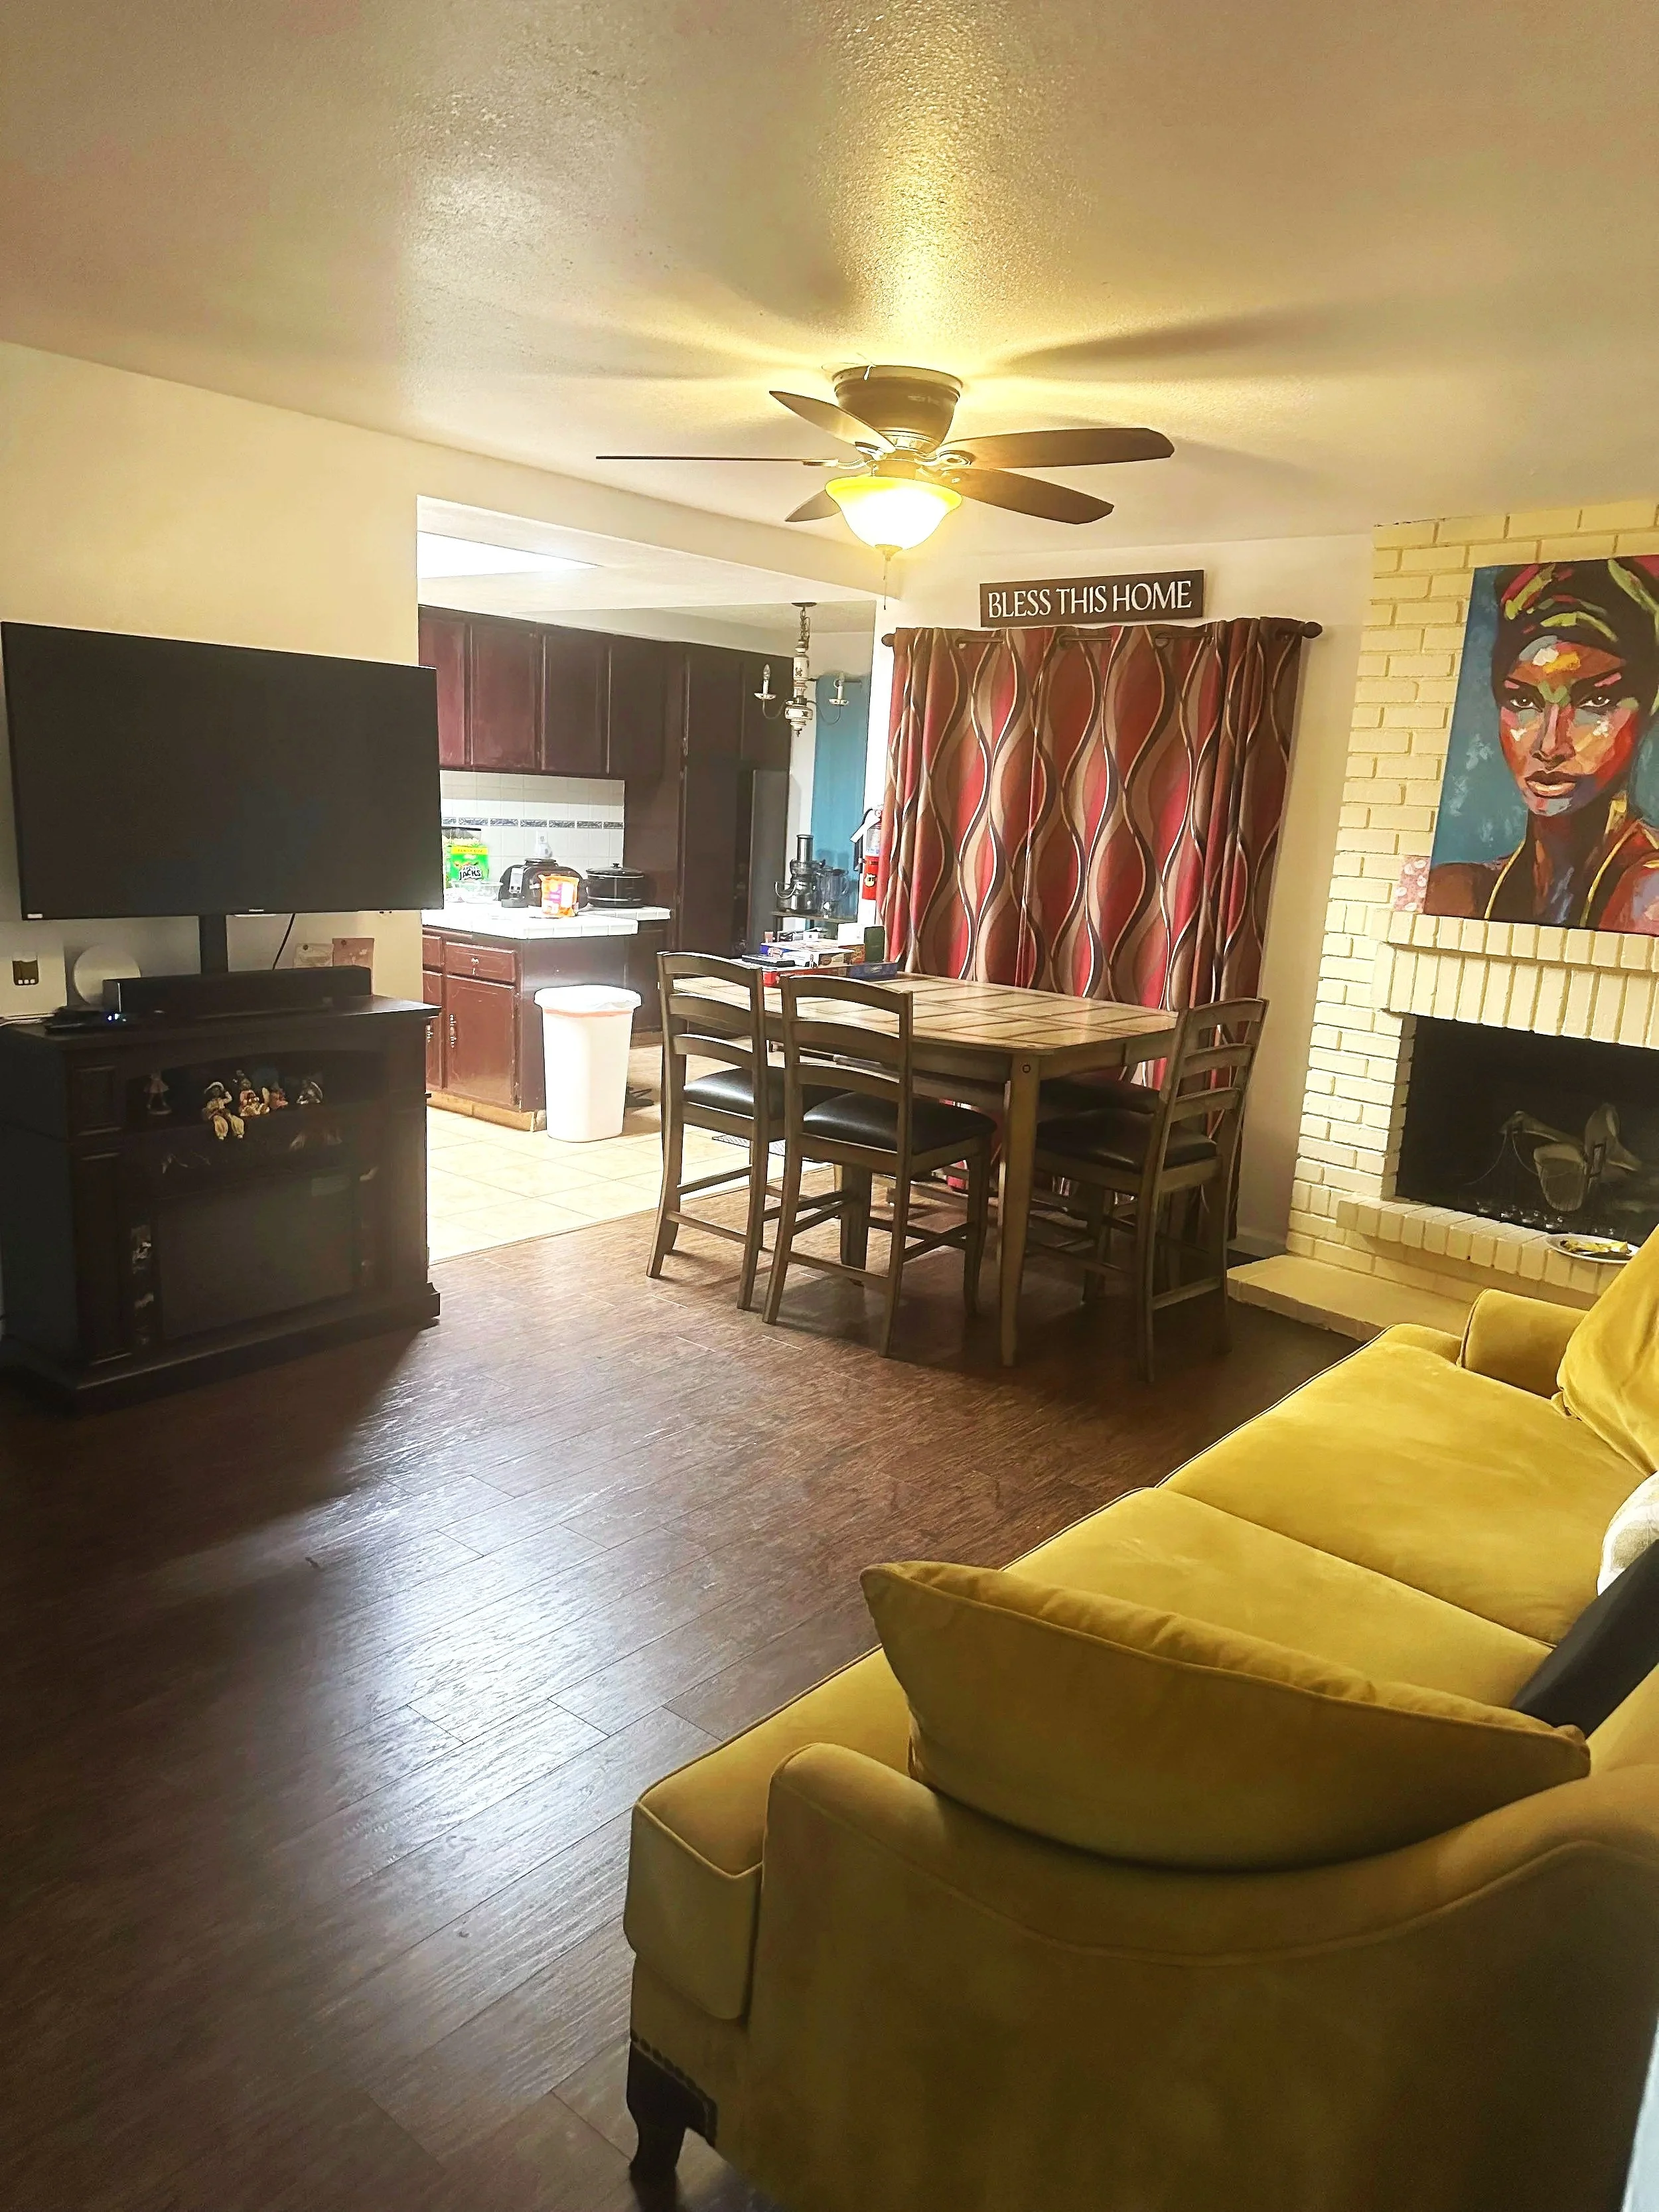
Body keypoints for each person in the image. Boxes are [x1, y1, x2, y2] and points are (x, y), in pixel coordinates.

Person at [1426, 557, 1659, 930]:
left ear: (1650, 708)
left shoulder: (1650, 895)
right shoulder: (1454, 893)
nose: (1550, 746)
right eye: (1523, 701)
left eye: (1595, 701)